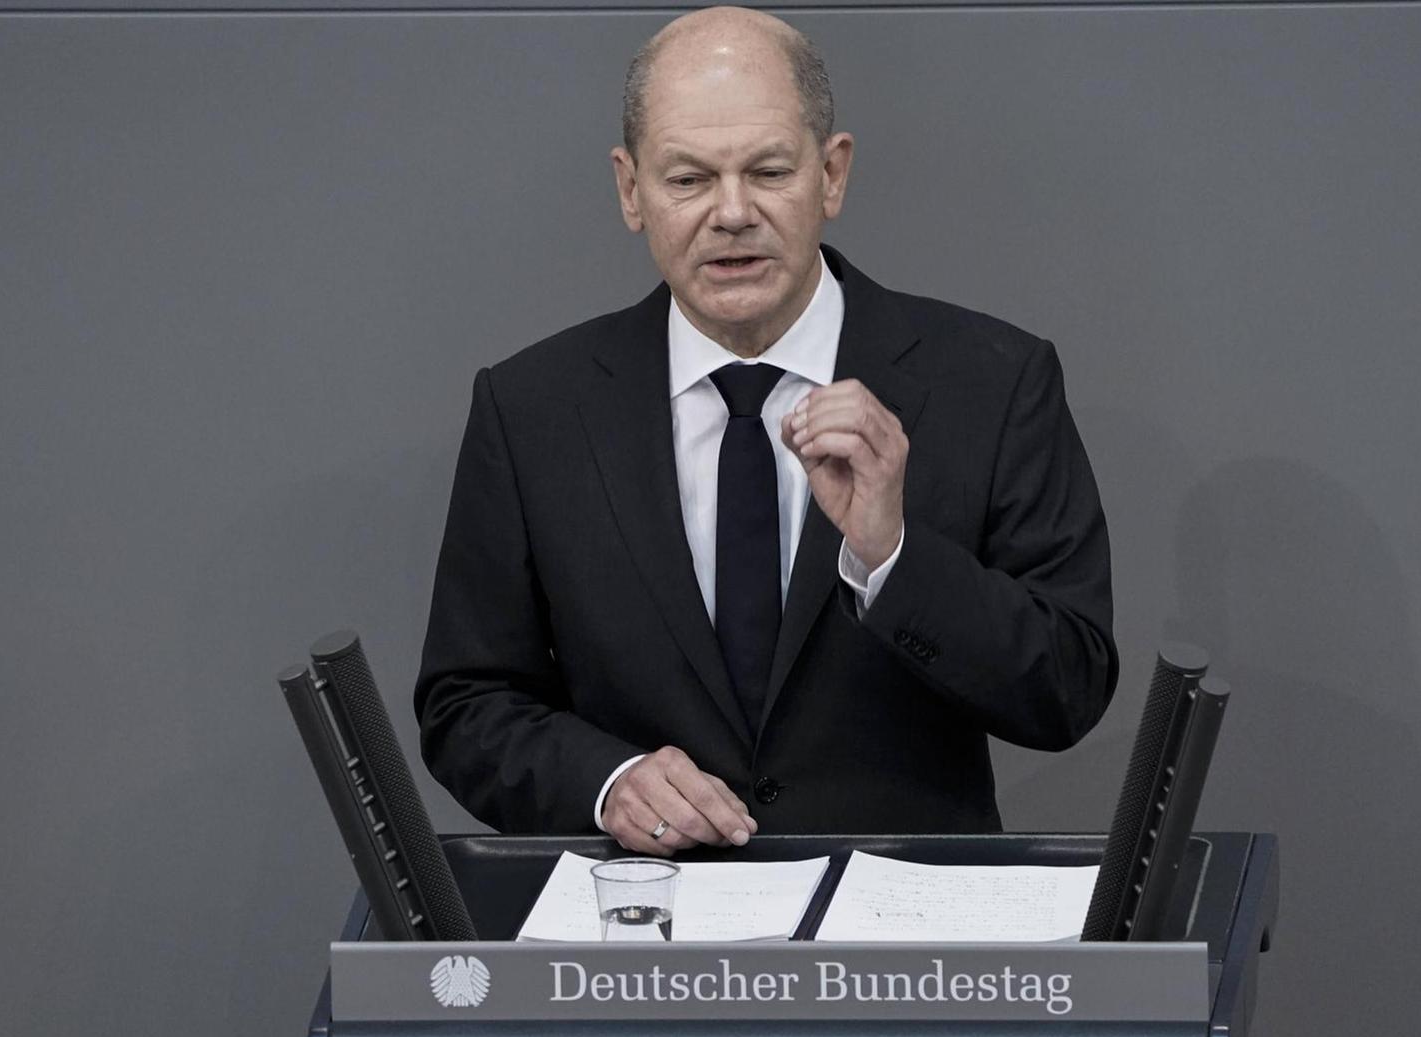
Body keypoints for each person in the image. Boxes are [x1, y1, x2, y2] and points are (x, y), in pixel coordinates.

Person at [414, 6, 1117, 855]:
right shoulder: (532, 409)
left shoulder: (993, 381)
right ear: (631, 190)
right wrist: (604, 784)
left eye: (769, 171)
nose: (732, 212)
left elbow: (1068, 689)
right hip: (642, 950)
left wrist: (892, 557)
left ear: (832, 174)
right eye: (688, 180)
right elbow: (467, 706)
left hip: (905, 961)